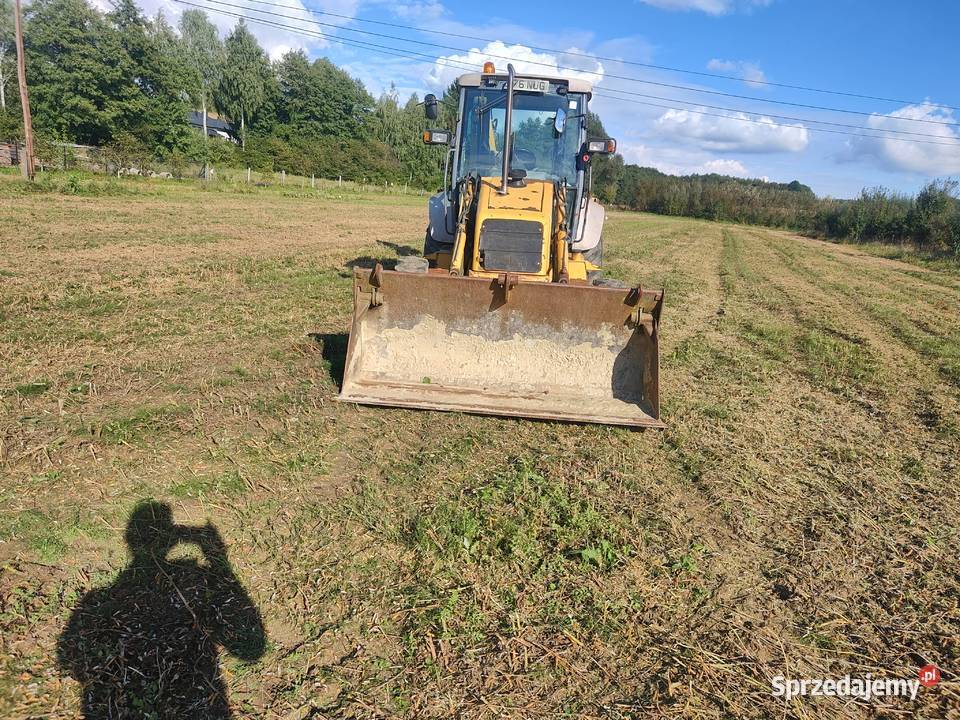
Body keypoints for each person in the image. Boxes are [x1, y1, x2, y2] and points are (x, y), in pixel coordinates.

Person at [57, 501, 266, 719]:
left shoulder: (96, 600)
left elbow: (69, 660)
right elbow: (251, 649)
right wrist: (217, 556)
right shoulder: (102, 599)